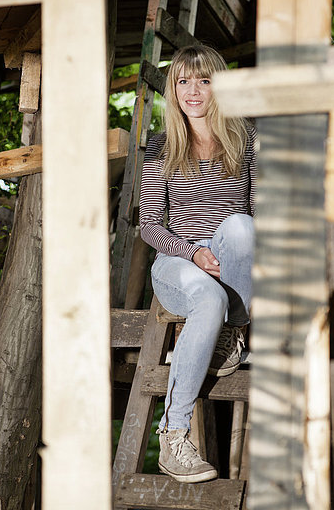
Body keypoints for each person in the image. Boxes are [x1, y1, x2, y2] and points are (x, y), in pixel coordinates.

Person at [139, 44, 255, 483]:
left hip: (232, 257)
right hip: (176, 262)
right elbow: (149, 224)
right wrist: (192, 252)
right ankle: (174, 435)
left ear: (217, 86)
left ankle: (233, 331)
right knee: (205, 293)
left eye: (204, 80)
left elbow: (258, 213)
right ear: (174, 89)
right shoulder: (161, 145)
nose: (193, 90)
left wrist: (232, 255)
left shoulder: (247, 138)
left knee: (244, 226)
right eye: (184, 81)